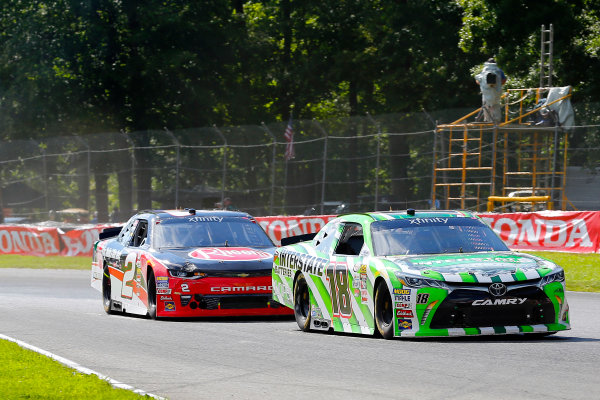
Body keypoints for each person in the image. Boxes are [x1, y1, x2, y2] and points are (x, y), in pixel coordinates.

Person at [475, 58, 506, 123]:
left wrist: (483, 85)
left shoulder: (484, 71)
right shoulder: (499, 70)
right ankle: (496, 120)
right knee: (496, 105)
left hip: (486, 92)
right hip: (496, 92)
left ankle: (487, 119)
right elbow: (504, 80)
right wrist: (498, 85)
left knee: (486, 105)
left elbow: (478, 80)